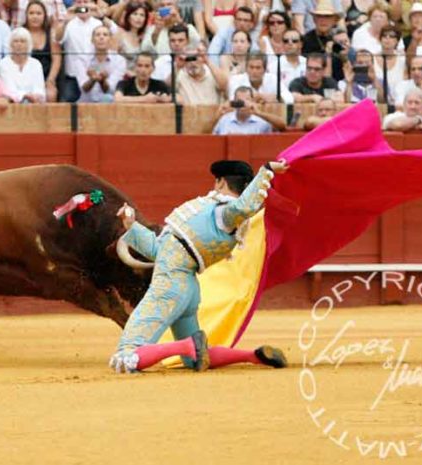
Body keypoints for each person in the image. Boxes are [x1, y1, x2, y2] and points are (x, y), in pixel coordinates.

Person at [108, 159, 289, 373]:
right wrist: (131, 226)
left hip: (171, 282)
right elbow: (160, 250)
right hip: (187, 288)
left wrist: (266, 171)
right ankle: (253, 356)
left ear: (221, 182)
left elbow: (245, 206)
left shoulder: (223, 213)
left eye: (216, 182)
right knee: (194, 361)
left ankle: (188, 345)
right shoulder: (215, 212)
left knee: (125, 356)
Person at [23, 0, 61, 102]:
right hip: (25, 77)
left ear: (44, 16)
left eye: (39, 13)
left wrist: (50, 80)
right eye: (31, 13)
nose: (35, 16)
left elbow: (56, 58)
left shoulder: (50, 34)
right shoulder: (21, 32)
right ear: (26, 15)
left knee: (51, 94)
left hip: (46, 76)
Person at [76, 25, 126, 102]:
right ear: (92, 40)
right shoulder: (82, 59)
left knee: (107, 98)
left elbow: (111, 90)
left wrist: (102, 81)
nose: (101, 37)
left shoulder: (120, 60)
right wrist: (92, 80)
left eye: (105, 35)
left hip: (108, 103)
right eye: (98, 35)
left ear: (110, 40)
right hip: (86, 102)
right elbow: (83, 88)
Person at [213, 86, 287, 135]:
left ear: (252, 101)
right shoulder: (224, 119)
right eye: (239, 101)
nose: (243, 104)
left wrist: (259, 113)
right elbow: (208, 135)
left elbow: (282, 127)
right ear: (234, 102)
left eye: (247, 100)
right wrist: (218, 114)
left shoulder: (262, 121)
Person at [0, 27, 46, 103]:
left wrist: (35, 96)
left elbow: (39, 89)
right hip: (11, 105)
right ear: (11, 45)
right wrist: (25, 95)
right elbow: (9, 90)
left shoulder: (36, 64)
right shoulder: (3, 64)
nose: (19, 44)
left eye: (23, 41)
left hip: (34, 104)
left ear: (29, 45)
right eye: (16, 41)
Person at [228, 52, 294, 103]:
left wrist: (277, 98)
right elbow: (233, 100)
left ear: (265, 69)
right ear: (246, 68)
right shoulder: (236, 80)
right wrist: (259, 98)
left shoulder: (272, 78)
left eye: (258, 68)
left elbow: (290, 98)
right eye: (251, 67)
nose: (254, 71)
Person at [374, 25, 406, 105]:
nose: (387, 38)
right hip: (376, 103)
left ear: (397, 41)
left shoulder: (402, 60)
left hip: (398, 104)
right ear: (380, 39)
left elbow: (405, 85)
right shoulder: (372, 59)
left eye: (392, 36)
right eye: (384, 36)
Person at [115, 1, 149, 73]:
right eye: (135, 14)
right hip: (123, 76)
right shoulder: (120, 34)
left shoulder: (146, 36)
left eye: (142, 15)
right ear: (128, 17)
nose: (138, 18)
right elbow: (111, 60)